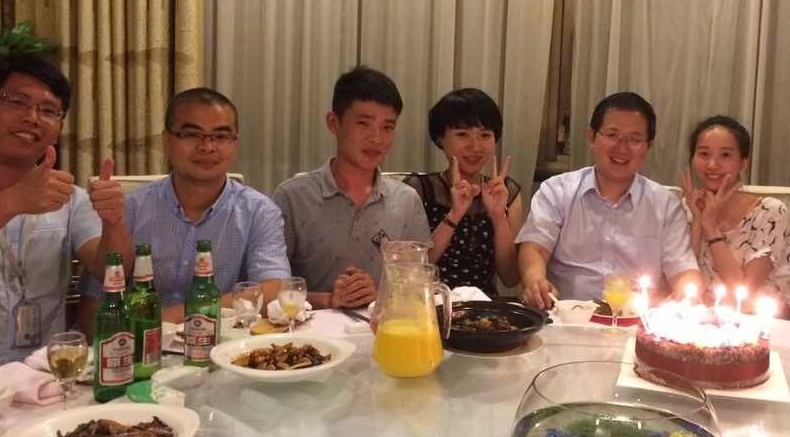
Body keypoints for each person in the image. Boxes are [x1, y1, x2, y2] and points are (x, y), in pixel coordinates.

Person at [0, 56, 130, 379]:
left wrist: (114, 222)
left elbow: (114, 271)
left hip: (45, 381)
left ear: (58, 129)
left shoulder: (70, 199)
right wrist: (11, 201)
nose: (32, 118)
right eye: (17, 102)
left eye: (48, 110)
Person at [80, 88, 290, 322]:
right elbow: (95, 300)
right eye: (192, 134)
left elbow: (273, 290)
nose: (207, 147)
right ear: (166, 140)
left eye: (221, 136)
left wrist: (164, 319)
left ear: (235, 143)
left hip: (219, 341)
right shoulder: (130, 208)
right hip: (136, 341)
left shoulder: (259, 212)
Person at [517, 92, 701, 308]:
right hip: (567, 315)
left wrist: (687, 295)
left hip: (637, 320)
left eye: (634, 139)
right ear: (592, 137)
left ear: (648, 146)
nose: (622, 147)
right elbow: (535, 248)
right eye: (612, 135)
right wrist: (536, 281)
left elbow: (683, 270)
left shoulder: (666, 204)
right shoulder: (557, 191)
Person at [273, 66, 431, 309]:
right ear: (333, 122)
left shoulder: (406, 200)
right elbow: (270, 290)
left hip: (382, 327)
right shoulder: (292, 197)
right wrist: (329, 298)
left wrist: (379, 293)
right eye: (364, 123)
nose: (376, 138)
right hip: (311, 328)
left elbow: (417, 286)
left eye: (387, 127)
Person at [404, 89, 522, 297]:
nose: (475, 146)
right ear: (440, 139)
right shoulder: (418, 190)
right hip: (428, 304)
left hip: (483, 305)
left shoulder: (506, 193)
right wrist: (454, 215)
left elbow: (510, 278)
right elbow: (411, 270)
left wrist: (498, 217)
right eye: (462, 134)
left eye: (485, 135)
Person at [680, 115, 790, 312]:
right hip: (704, 319)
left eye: (725, 155)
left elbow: (742, 293)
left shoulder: (769, 212)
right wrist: (697, 220)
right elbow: (685, 277)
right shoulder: (688, 207)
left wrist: (710, 226)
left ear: (743, 163)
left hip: (760, 320)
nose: (712, 164)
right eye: (704, 153)